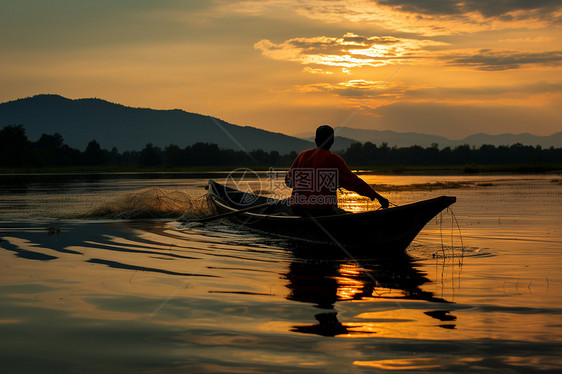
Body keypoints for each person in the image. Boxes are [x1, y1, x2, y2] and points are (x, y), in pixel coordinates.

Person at [285, 125, 389, 216]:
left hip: (298, 209)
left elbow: (288, 182)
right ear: (332, 141)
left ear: (316, 140)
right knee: (343, 213)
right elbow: (355, 183)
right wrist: (378, 197)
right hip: (321, 211)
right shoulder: (335, 160)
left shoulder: (302, 156)